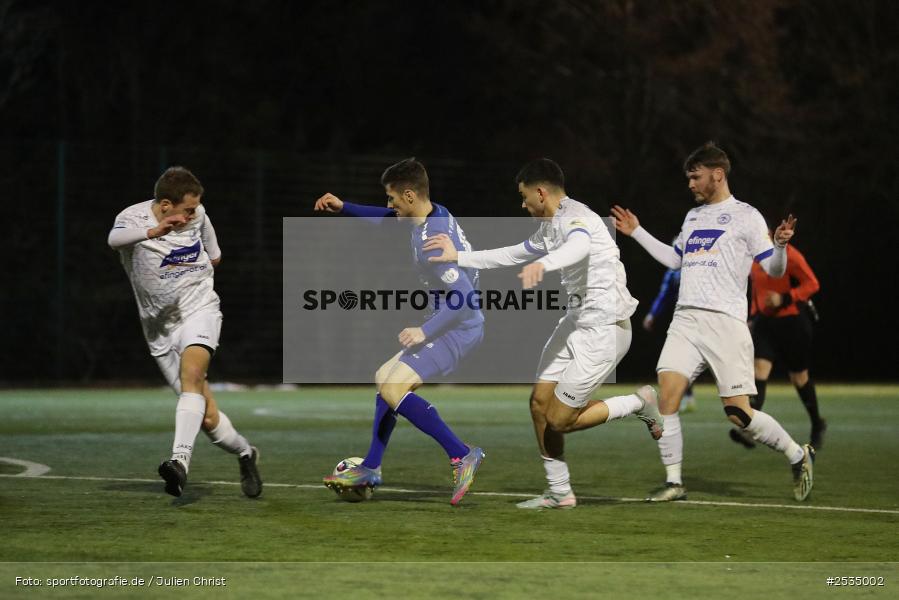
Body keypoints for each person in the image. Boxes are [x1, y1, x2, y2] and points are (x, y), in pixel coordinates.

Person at [426, 158, 663, 509]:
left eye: (524, 197)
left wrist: (546, 264)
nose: (522, 205)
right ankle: (559, 492)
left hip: (604, 329)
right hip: (576, 323)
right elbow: (513, 254)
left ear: (540, 192)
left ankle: (640, 402)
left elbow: (579, 245)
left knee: (560, 419)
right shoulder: (550, 225)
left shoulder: (575, 217)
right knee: (539, 402)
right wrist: (458, 256)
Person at [611, 141, 815, 502]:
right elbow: (675, 261)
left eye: (695, 176)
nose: (690, 184)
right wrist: (638, 232)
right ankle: (674, 483)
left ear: (717, 175)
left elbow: (773, 269)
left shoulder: (747, 216)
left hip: (726, 324)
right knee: (667, 398)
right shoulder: (693, 218)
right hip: (686, 320)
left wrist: (781, 246)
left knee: (739, 415)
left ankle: (798, 455)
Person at [315, 158, 485, 506]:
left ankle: (461, 454)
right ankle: (372, 467)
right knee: (384, 378)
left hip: (458, 325)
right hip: (448, 320)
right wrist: (344, 206)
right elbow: (385, 219)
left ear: (409, 196)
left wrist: (425, 330)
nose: (389, 206)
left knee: (394, 387)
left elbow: (465, 298)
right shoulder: (431, 214)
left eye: (392, 198)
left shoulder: (432, 240)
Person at [108, 166, 262, 498]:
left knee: (192, 372)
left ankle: (179, 463)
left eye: (196, 208)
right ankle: (247, 453)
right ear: (165, 205)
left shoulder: (199, 216)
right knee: (207, 419)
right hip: (159, 329)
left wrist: (190, 273)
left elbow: (215, 256)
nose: (194, 214)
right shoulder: (133, 220)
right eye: (187, 209)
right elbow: (113, 239)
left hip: (199, 309)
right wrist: (154, 233)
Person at [730, 241, 825, 449]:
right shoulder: (754, 258)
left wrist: (785, 297)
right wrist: (752, 316)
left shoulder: (790, 254)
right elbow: (756, 290)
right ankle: (748, 430)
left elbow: (812, 284)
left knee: (799, 378)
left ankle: (817, 423)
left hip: (793, 322)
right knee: (758, 371)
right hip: (766, 324)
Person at [642, 264, 696, 413]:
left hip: (698, 319)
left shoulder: (698, 266)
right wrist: (652, 314)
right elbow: (664, 294)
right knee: (678, 359)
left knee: (686, 358)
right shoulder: (673, 273)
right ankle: (685, 396)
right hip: (678, 319)